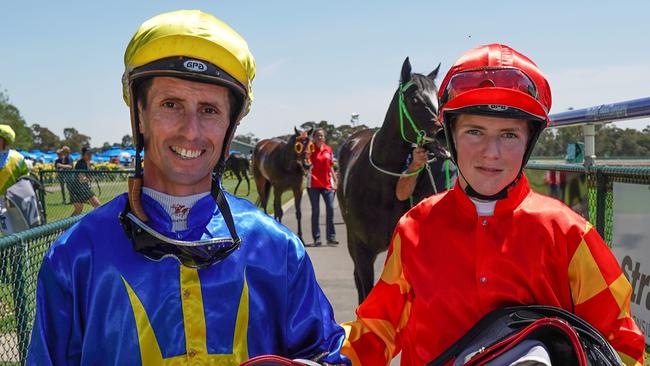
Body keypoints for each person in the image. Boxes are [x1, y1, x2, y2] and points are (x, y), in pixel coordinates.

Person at [27, 10, 349, 365]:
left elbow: (324, 352)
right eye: (171, 105)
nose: (191, 131)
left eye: (209, 110)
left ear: (229, 131)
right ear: (139, 116)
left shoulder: (278, 249)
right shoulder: (76, 255)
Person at [341, 44, 644, 365]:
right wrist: (325, 357)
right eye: (475, 131)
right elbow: (377, 328)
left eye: (509, 135)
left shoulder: (570, 234)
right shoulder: (414, 227)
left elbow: (618, 341)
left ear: (529, 141)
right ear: (451, 137)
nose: (491, 152)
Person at [307, 128, 338, 246]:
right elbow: (306, 162)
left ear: (324, 138)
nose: (320, 138)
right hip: (313, 184)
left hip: (327, 184)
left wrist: (335, 180)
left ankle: (331, 237)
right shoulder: (310, 149)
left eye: (322, 136)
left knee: (330, 209)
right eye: (318, 136)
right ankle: (317, 238)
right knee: (316, 211)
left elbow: (330, 166)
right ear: (314, 138)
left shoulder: (328, 149)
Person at [0, 124, 30, 233]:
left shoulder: (17, 158)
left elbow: (25, 179)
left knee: (17, 230)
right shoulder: (18, 157)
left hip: (13, 199)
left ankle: (20, 249)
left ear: (4, 140)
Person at [68, 147, 101, 216]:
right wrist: (91, 179)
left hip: (82, 188)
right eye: (88, 154)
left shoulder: (86, 163)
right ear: (83, 155)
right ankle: (68, 225)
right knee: (96, 205)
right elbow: (82, 179)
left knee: (79, 209)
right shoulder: (81, 164)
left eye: (91, 153)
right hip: (78, 189)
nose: (90, 155)